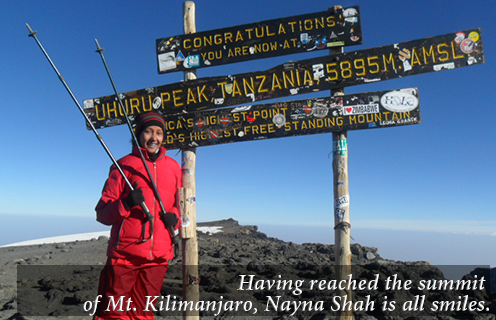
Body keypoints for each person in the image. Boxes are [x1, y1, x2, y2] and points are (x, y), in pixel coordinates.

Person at [93, 111, 182, 319]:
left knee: (143, 313)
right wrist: (125, 203)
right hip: (125, 255)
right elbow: (102, 214)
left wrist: (175, 217)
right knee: (113, 313)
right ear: (138, 134)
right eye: (148, 131)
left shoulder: (173, 168)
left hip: (158, 257)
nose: (154, 137)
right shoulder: (122, 166)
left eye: (159, 132)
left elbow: (179, 204)